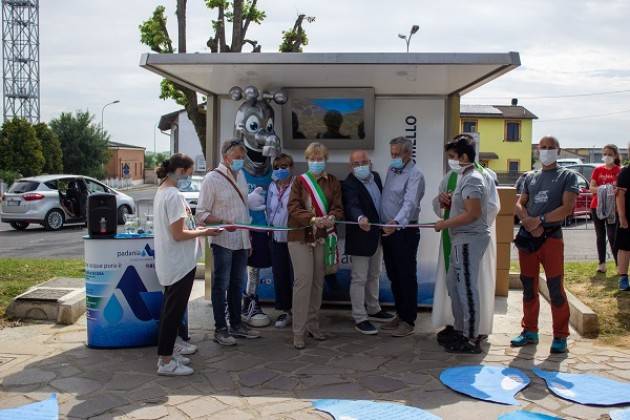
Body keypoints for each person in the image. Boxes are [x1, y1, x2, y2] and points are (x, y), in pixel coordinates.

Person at [153, 153, 223, 376]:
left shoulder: (164, 191)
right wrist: (206, 232)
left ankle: (170, 351)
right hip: (177, 264)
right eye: (190, 174)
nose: (189, 178)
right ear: (181, 171)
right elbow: (178, 233)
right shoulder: (172, 195)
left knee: (170, 310)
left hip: (173, 262)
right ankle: (165, 362)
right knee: (172, 313)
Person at [432, 134, 500, 350]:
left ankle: (471, 337)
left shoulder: (474, 178)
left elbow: (474, 213)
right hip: (458, 239)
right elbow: (462, 206)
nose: (450, 161)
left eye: (452, 156)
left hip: (470, 238)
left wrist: (445, 223)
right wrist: (446, 202)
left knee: (467, 289)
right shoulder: (461, 177)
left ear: (463, 156)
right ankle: (460, 329)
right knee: (454, 285)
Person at [511, 136, 578, 354]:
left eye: (551, 148)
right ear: (538, 150)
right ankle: (530, 330)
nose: (547, 151)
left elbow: (567, 208)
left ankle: (560, 336)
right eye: (543, 148)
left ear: (558, 151)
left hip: (551, 238)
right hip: (529, 238)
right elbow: (519, 203)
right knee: (528, 287)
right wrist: (528, 222)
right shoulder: (529, 176)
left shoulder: (568, 176)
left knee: (555, 288)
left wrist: (540, 221)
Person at [196, 140, 261, 346]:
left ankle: (236, 324)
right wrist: (224, 222)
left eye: (243, 157)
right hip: (222, 240)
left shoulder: (241, 175)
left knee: (237, 284)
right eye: (237, 158)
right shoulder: (211, 179)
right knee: (220, 285)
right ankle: (220, 329)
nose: (240, 161)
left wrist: (248, 239)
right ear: (226, 158)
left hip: (241, 240)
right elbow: (201, 215)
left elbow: (243, 209)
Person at [287, 142, 344, 349]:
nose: (316, 162)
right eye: (312, 158)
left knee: (318, 281)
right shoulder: (300, 182)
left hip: (322, 236)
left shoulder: (333, 182)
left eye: (320, 159)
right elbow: (293, 207)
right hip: (300, 236)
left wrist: (331, 217)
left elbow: (339, 208)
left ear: (325, 160)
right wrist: (312, 219)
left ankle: (313, 324)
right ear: (307, 160)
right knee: (303, 282)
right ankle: (298, 331)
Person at [342, 150, 394, 335]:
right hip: (360, 236)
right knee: (359, 278)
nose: (361, 166)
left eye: (364, 162)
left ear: (370, 163)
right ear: (351, 166)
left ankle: (373, 308)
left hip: (377, 235)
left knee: (374, 274)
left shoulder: (377, 177)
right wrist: (360, 217)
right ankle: (360, 317)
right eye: (356, 163)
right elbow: (351, 204)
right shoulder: (349, 183)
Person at [380, 137, 426, 337]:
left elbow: (410, 204)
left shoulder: (416, 174)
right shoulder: (392, 169)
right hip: (387, 231)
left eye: (397, 154)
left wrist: (396, 223)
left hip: (404, 232)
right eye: (392, 153)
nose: (394, 157)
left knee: (406, 275)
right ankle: (399, 313)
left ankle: (409, 320)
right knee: (393, 274)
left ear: (408, 153)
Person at [266, 153, 296, 328]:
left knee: (297, 276)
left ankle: (299, 311)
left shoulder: (297, 185)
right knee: (280, 275)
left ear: (291, 168)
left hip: (294, 238)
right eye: (276, 167)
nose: (280, 170)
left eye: (284, 167)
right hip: (276, 238)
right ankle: (285, 311)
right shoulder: (271, 186)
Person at [590, 144, 621, 273]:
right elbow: (591, 188)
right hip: (596, 207)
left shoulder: (619, 171)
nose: (607, 156)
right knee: (600, 236)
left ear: (615, 156)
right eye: (605, 154)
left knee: (613, 235)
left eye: (610, 154)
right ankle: (601, 264)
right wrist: (605, 189)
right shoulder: (598, 170)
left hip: (613, 208)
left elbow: (621, 190)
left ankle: (619, 264)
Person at [614, 156, 630, 291]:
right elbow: (619, 195)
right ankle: (623, 278)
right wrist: (622, 217)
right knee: (625, 247)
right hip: (627, 217)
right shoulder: (625, 173)